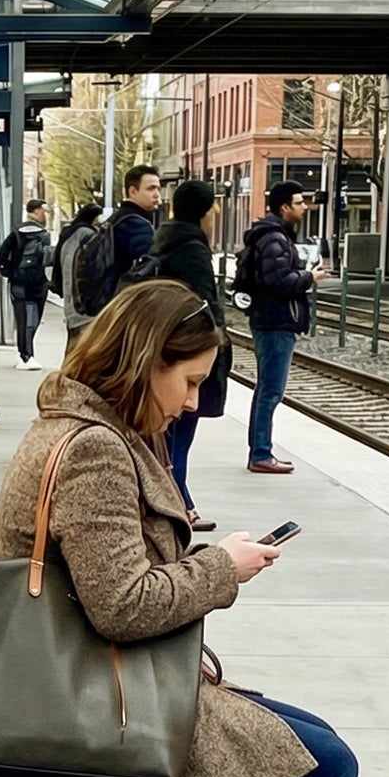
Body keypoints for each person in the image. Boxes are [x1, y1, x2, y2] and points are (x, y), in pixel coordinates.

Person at [0, 279, 360, 777]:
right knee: (322, 768)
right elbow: (122, 605)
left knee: (311, 745)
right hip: (94, 709)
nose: (192, 403)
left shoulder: (89, 428)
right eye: (189, 381)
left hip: (104, 685)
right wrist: (222, 567)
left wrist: (201, 560)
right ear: (146, 361)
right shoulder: (92, 449)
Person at [144, 178, 223, 532]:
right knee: (178, 435)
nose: (217, 211)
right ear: (205, 212)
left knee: (171, 436)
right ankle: (179, 506)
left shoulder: (166, 238)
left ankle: (181, 501)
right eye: (214, 206)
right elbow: (204, 307)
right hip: (184, 353)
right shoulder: (192, 248)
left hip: (168, 349)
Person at [242, 180, 321, 477]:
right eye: (299, 203)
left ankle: (261, 450)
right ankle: (261, 453)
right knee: (270, 390)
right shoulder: (274, 239)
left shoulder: (274, 236)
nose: (304, 207)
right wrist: (309, 278)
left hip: (272, 321)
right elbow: (278, 281)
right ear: (285, 207)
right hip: (275, 322)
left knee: (268, 389)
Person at [0, 198, 53, 367]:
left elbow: (1, 256)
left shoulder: (17, 232)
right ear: (35, 211)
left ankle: (25, 354)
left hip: (19, 283)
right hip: (39, 283)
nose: (45, 215)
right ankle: (26, 355)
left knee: (25, 319)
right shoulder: (43, 234)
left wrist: (10, 273)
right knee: (32, 320)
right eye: (43, 211)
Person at [56, 201, 105, 358]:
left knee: (73, 351)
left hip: (72, 305)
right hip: (84, 306)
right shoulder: (87, 236)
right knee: (81, 355)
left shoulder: (68, 234)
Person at [109, 163, 163, 290]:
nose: (157, 194)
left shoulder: (115, 219)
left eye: (158, 189)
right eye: (151, 188)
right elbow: (147, 272)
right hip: (127, 300)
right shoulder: (137, 225)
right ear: (132, 191)